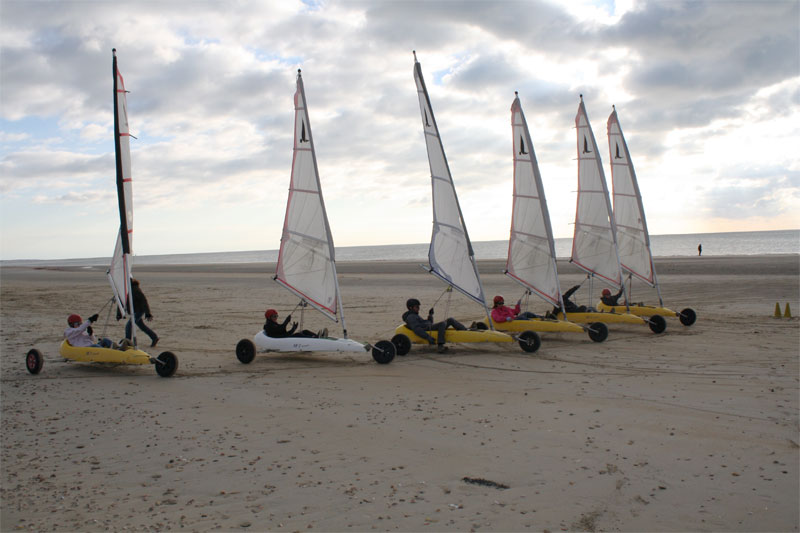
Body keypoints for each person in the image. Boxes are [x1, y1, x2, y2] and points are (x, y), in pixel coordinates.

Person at [402, 298, 467, 353]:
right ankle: (440, 346)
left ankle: (466, 331)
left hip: (428, 327)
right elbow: (417, 329)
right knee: (442, 324)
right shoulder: (411, 317)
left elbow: (427, 323)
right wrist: (428, 337)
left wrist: (430, 315)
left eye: (419, 306)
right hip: (427, 330)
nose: (418, 308)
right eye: (417, 307)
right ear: (410, 308)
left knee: (450, 320)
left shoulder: (414, 315)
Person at [117, 279, 159, 347]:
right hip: (134, 311)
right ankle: (154, 337)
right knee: (142, 326)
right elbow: (120, 302)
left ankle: (127, 342)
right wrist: (119, 314)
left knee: (129, 325)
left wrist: (147, 313)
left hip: (139, 311)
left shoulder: (135, 289)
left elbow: (144, 301)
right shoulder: (124, 290)